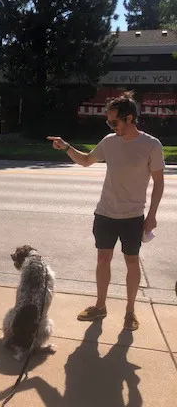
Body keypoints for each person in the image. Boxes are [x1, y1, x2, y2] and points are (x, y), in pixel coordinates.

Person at [48, 91, 165, 331]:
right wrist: (66, 147)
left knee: (132, 262)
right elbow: (85, 160)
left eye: (114, 122)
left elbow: (159, 182)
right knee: (103, 260)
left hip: (133, 216)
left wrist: (152, 215)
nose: (111, 126)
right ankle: (100, 306)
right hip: (105, 213)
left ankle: (130, 312)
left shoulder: (151, 145)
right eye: (108, 122)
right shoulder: (109, 142)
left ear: (129, 118)